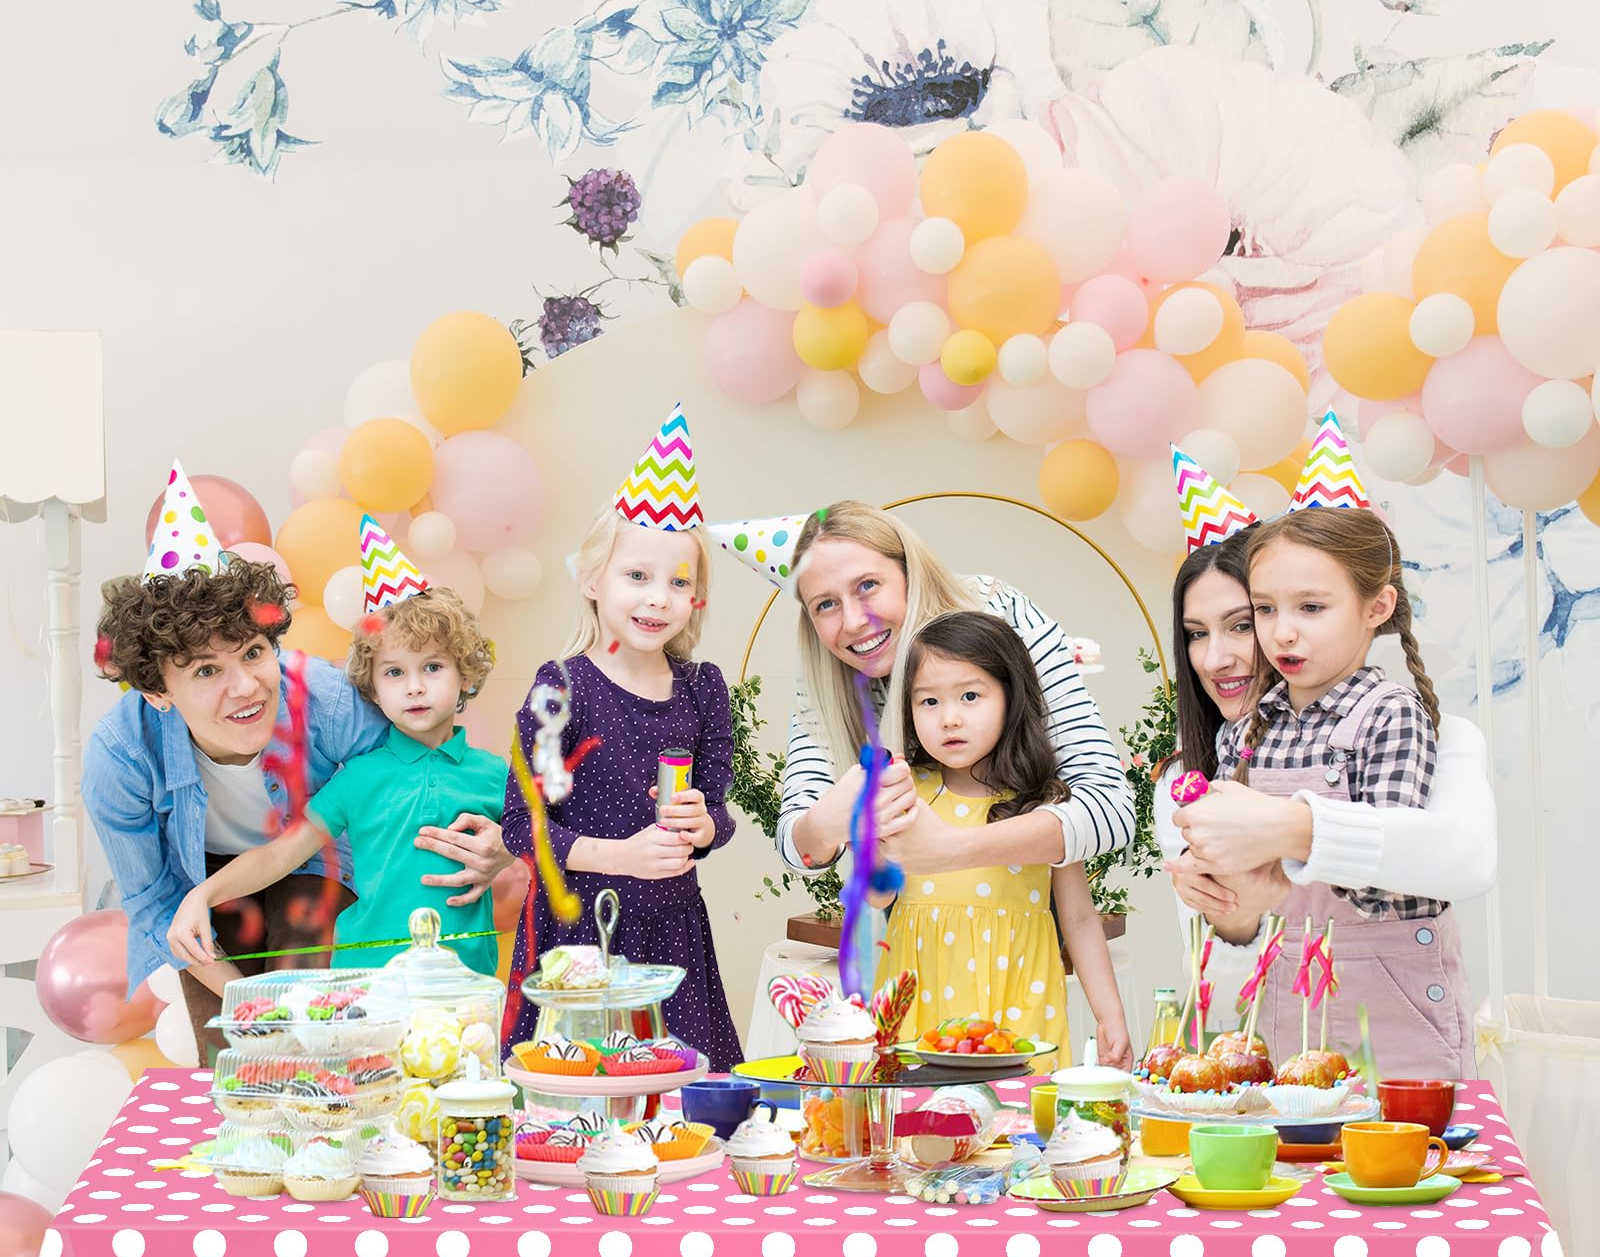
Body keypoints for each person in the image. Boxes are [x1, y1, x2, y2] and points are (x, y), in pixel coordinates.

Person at [84, 465, 511, 1062]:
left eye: (253, 653)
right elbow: (157, 907)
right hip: (199, 887)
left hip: (314, 860)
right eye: (206, 670)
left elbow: (416, 782)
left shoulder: (329, 700)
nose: (245, 688)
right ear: (157, 691)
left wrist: (497, 843)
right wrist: (251, 1004)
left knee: (316, 1031)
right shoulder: (120, 758)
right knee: (236, 1055)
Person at [1155, 443, 1495, 1031]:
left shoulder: (1411, 723)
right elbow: (1223, 994)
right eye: (1196, 633)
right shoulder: (1209, 762)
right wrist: (1231, 908)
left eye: (1241, 623)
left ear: (1373, 608)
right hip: (1287, 1029)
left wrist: (1287, 829)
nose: (1215, 658)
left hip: (1397, 1024)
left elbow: (1458, 862)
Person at [710, 501, 1135, 887]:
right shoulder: (825, 674)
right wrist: (822, 826)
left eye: (867, 585)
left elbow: (1112, 810)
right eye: (825, 604)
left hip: (1026, 922)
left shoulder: (1004, 615)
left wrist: (952, 849)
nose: (854, 621)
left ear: (910, 574)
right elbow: (798, 846)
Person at [503, 407, 742, 1068]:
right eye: (638, 576)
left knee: (680, 1100)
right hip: (583, 938)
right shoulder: (562, 689)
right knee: (585, 1095)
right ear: (591, 579)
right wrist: (622, 856)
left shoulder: (702, 689)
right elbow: (522, 827)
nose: (658, 597)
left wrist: (704, 825)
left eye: (679, 582)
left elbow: (718, 815)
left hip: (676, 939)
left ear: (695, 598)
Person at [166, 548, 507, 977]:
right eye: (394, 672)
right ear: (372, 689)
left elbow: (557, 844)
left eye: (433, 667)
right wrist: (204, 894)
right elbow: (279, 856)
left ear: (466, 676)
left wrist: (511, 848)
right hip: (367, 980)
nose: (415, 687)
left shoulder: (497, 775)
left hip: (466, 979)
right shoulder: (357, 779)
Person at [881, 612, 1133, 1067]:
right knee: (916, 1109)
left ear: (1010, 698)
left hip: (1018, 1001)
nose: (950, 719)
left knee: (1017, 1108)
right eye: (929, 701)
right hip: (919, 1000)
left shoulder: (1045, 805)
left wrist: (1109, 1014)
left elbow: (1078, 917)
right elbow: (874, 898)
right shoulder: (905, 792)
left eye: (970, 696)